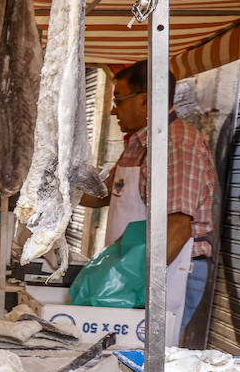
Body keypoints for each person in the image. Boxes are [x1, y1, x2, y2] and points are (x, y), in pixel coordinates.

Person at [80, 59, 217, 343]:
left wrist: (133, 286)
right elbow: (100, 196)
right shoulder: (136, 144)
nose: (112, 110)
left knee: (142, 360)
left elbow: (177, 227)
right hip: (129, 268)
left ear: (145, 102)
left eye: (119, 99)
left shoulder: (177, 145)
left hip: (165, 273)